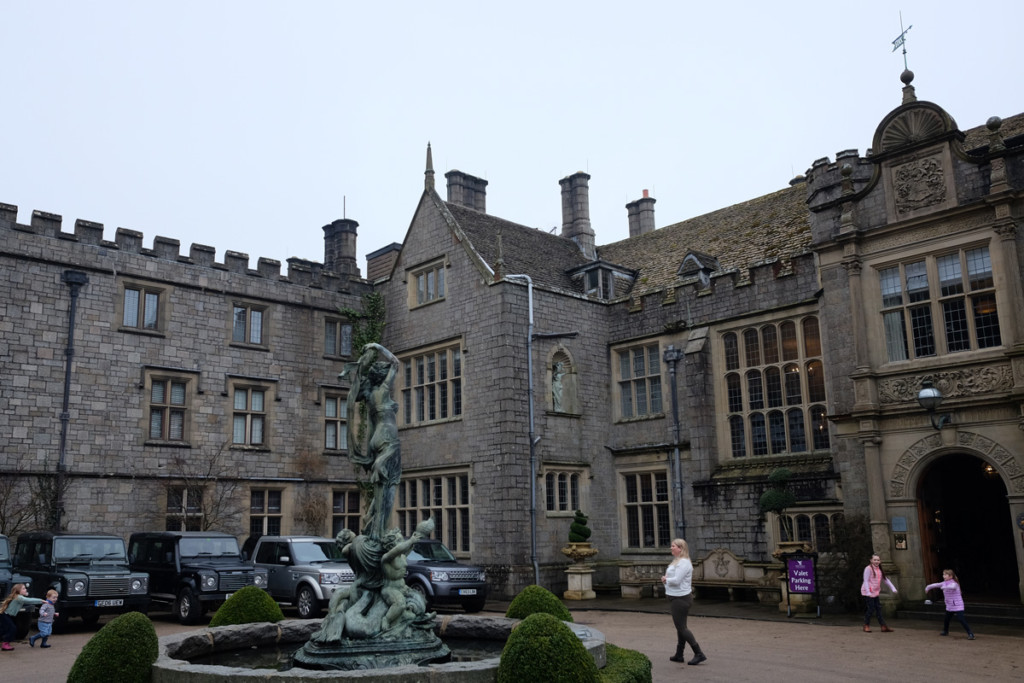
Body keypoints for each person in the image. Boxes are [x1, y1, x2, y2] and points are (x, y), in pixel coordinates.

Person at [660, 538, 707, 666]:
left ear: (680, 548)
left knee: (681, 627)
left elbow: (677, 580)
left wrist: (665, 579)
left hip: (680, 599)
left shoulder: (684, 563)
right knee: (680, 627)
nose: (671, 548)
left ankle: (699, 653)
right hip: (676, 597)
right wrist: (667, 580)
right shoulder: (677, 561)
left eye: (673, 546)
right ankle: (679, 654)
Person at [925, 569, 975, 640]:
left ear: (951, 576)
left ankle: (970, 634)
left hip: (958, 605)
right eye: (943, 574)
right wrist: (928, 587)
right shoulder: (944, 583)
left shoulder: (955, 583)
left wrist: (943, 587)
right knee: (946, 619)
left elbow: (952, 587)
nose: (944, 576)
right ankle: (945, 631)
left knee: (961, 619)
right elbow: (935, 585)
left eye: (945, 574)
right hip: (949, 605)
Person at [1, 584, 44, 651]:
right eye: (23, 588)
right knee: (12, 628)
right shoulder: (19, 598)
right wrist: (41, 601)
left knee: (4, 629)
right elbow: (29, 600)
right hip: (5, 615)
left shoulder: (19, 597)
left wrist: (25, 594)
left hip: (8, 615)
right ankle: (5, 644)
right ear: (18, 591)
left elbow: (27, 600)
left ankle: (6, 643)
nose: (26, 589)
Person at [861, 554, 897, 632]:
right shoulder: (868, 568)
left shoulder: (879, 569)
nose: (876, 561)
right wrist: (868, 592)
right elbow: (866, 581)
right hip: (868, 592)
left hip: (875, 592)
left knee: (878, 609)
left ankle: (883, 626)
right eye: (875, 560)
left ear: (880, 561)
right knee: (871, 609)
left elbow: (885, 579)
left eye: (878, 560)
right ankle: (866, 625)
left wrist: (893, 588)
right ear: (871, 560)